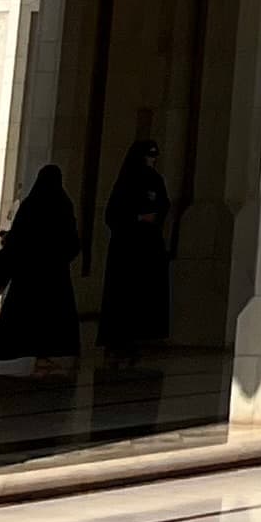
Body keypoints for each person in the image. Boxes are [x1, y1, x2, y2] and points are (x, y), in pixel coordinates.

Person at [0, 164, 82, 374]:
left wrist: (4, 275)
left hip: (28, 276)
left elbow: (17, 241)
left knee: (16, 319)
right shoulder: (63, 205)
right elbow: (71, 240)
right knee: (49, 319)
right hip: (54, 275)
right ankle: (43, 357)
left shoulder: (31, 205)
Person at [96, 138, 173, 365]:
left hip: (147, 247)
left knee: (142, 295)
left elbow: (163, 206)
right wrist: (137, 218)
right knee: (122, 294)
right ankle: (117, 341)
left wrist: (154, 217)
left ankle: (135, 339)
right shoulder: (126, 182)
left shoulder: (155, 181)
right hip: (126, 248)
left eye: (154, 156)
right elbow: (113, 215)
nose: (152, 160)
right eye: (149, 156)